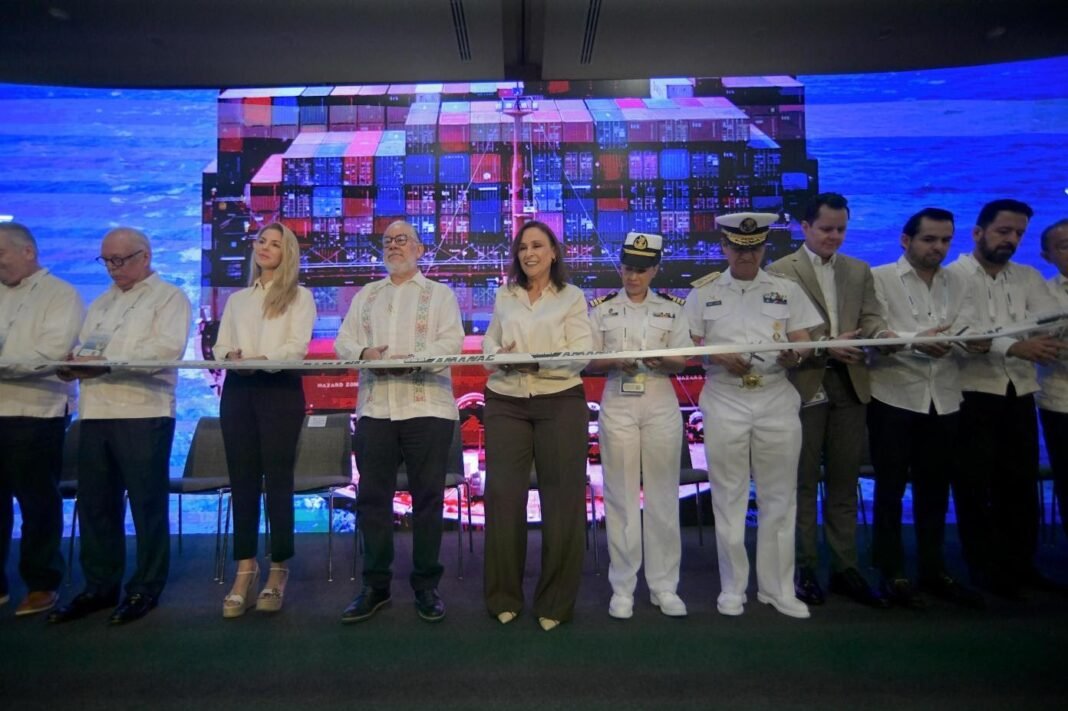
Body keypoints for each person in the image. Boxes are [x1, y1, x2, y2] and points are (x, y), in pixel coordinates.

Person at [49, 227, 191, 625]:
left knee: (147, 505)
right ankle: (99, 585)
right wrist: (71, 363)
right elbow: (87, 349)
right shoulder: (101, 303)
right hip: (95, 413)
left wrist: (106, 363)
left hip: (144, 411)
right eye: (106, 260)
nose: (113, 268)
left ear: (145, 256)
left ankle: (146, 587)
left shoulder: (170, 298)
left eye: (120, 260)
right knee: (95, 504)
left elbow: (165, 351)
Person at [684, 212, 821, 619]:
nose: (747, 255)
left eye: (755, 248)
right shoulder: (702, 294)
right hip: (724, 397)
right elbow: (687, 346)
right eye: (738, 248)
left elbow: (804, 339)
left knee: (780, 496)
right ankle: (733, 588)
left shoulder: (786, 289)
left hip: (776, 394)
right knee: (728, 496)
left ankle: (778, 588)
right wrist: (716, 355)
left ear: (764, 248)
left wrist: (797, 354)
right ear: (724, 248)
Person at [335, 220, 463, 624]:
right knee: (373, 500)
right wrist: (366, 354)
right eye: (388, 241)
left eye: (402, 239)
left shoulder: (440, 294)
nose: (393, 245)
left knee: (428, 499)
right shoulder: (366, 295)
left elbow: (451, 342)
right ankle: (375, 585)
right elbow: (343, 342)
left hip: (427, 407)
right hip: (376, 409)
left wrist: (413, 362)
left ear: (420, 250)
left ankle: (426, 586)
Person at [768, 192, 890, 609]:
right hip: (805, 383)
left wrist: (881, 335)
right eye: (825, 229)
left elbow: (871, 317)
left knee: (843, 481)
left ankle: (844, 567)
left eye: (840, 229)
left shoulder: (859, 270)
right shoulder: (780, 271)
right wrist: (826, 344)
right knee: (801, 482)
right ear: (804, 227)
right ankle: (803, 567)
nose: (834, 236)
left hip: (851, 383)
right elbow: (779, 330)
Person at [946, 199, 1067, 599]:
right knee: (975, 485)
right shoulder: (953, 277)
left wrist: (1009, 339)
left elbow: (1049, 323)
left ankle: (1022, 565)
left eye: (1018, 233)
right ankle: (984, 568)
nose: (1011, 240)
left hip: (1021, 391)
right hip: (973, 392)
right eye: (1003, 231)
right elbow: (962, 332)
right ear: (978, 232)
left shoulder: (1028, 276)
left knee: (1020, 484)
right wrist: (1014, 344)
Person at [867, 208, 985, 608]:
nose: (939, 247)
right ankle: (892, 571)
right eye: (929, 239)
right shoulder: (879, 277)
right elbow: (874, 333)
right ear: (906, 240)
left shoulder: (959, 281)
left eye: (946, 240)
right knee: (889, 490)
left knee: (935, 489)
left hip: (945, 397)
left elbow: (969, 328)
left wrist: (975, 341)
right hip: (894, 395)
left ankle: (934, 570)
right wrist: (915, 339)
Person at [481, 220, 593, 631]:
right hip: (506, 400)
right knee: (502, 498)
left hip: (559, 400)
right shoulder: (505, 295)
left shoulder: (572, 297)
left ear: (553, 252)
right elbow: (489, 345)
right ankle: (503, 597)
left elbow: (581, 353)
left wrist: (535, 360)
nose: (529, 253)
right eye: (523, 247)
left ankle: (555, 603)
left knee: (562, 503)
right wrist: (501, 354)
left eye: (537, 246)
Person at [214, 222, 316, 618]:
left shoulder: (300, 297)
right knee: (241, 481)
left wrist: (262, 360)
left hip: (279, 390)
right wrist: (232, 358)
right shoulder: (237, 300)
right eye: (261, 241)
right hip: (238, 391)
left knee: (278, 482)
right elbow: (221, 346)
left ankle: (278, 569)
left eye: (275, 243)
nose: (265, 248)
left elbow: (296, 348)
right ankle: (245, 569)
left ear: (287, 253)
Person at [588, 232, 692, 620]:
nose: (633, 277)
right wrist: (614, 360)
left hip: (660, 398)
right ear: (621, 267)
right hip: (618, 399)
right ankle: (623, 587)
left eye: (642, 270)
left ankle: (665, 586)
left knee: (663, 495)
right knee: (620, 497)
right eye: (628, 268)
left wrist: (666, 361)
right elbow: (588, 360)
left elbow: (684, 358)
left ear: (655, 270)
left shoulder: (672, 309)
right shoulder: (601, 309)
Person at [0, 223, 84, 616]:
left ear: (28, 252)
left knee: (37, 502)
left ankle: (42, 582)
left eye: (1, 254)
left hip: (37, 411)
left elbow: (47, 356)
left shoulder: (61, 294)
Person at [1037, 219, 1068, 538]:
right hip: (1060, 402)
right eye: (1065, 246)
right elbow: (1046, 348)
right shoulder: (1042, 296)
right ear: (1047, 256)